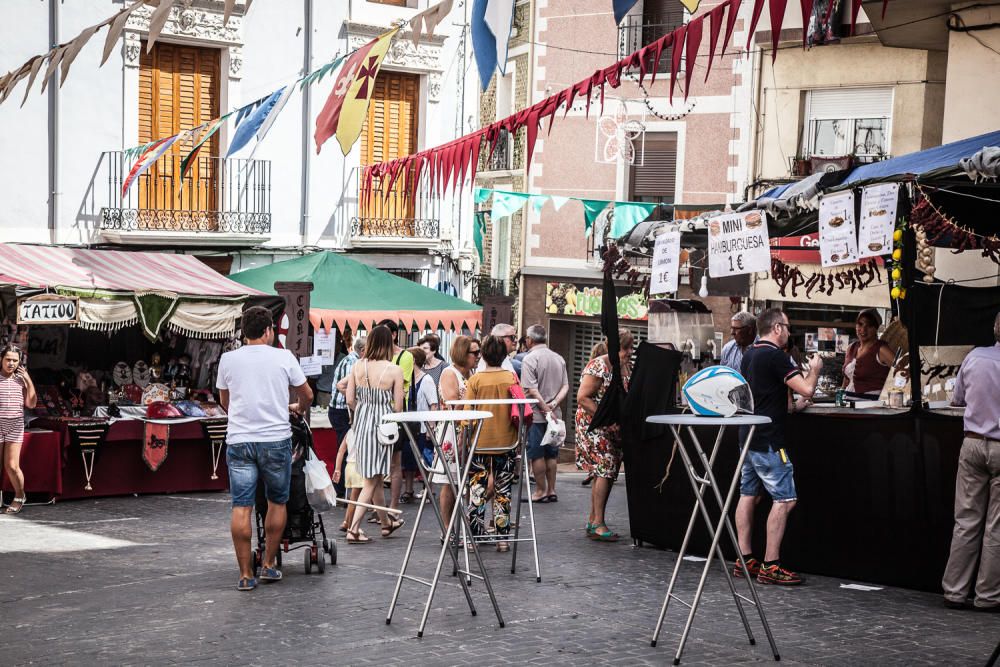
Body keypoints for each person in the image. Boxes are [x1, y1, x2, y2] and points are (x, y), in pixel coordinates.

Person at [217, 306, 313, 591]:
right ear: (269, 330)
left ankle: (246, 574)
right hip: (275, 439)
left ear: (244, 332)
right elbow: (306, 394)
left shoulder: (228, 359)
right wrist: (297, 408)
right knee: (277, 502)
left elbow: (225, 399)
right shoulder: (283, 357)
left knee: (241, 507)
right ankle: (269, 564)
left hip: (240, 440)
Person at [736, 308, 821, 586]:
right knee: (785, 499)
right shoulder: (776, 356)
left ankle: (745, 558)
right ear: (776, 328)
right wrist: (816, 370)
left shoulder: (749, 354)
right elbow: (806, 389)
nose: (788, 331)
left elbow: (779, 401)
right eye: (787, 326)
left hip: (747, 437)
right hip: (769, 440)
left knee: (748, 494)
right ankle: (771, 565)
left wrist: (796, 407)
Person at [941, 312, 1000, 612]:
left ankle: (954, 591)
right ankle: (988, 596)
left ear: (995, 329)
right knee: (996, 526)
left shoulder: (976, 356)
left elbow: (957, 399)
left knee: (966, 519)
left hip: (974, 442)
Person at [345, 326, 406, 543]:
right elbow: (399, 406)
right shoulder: (394, 370)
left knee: (376, 476)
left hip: (362, 421)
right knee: (371, 480)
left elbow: (349, 399)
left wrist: (364, 408)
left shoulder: (357, 365)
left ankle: (386, 524)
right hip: (383, 424)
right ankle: (353, 528)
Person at [576, 328, 634, 542]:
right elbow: (583, 398)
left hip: (612, 426)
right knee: (606, 468)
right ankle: (598, 522)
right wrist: (608, 421)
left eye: (631, 347)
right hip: (595, 425)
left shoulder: (624, 366)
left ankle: (594, 520)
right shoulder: (599, 365)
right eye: (626, 347)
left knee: (608, 471)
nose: (630, 351)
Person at [464, 336, 520, 551]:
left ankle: (475, 536)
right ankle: (502, 538)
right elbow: (519, 410)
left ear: (483, 356)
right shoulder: (511, 377)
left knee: (477, 491)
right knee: (503, 491)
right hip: (506, 441)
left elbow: (467, 415)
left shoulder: (475, 380)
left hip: (479, 442)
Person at [521, 324, 570, 503]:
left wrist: (544, 407)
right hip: (555, 415)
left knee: (537, 453)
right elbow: (566, 385)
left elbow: (532, 390)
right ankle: (551, 490)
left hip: (536, 414)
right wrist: (554, 404)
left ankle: (540, 491)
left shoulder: (529, 359)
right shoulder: (558, 358)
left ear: (530, 340)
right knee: (552, 453)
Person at [436, 335, 480, 530]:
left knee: (469, 481)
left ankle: (467, 525)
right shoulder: (449, 373)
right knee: (450, 482)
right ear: (463, 353)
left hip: (469, 431)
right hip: (451, 433)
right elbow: (452, 404)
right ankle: (447, 528)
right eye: (475, 352)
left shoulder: (472, 374)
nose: (478, 356)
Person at [377, 319, 414, 514]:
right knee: (375, 462)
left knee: (394, 462)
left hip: (394, 413)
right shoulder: (375, 356)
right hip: (378, 414)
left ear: (393, 335)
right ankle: (378, 507)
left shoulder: (405, 357)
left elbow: (399, 386)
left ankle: (393, 506)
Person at [1, 344, 37, 515]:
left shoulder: (21, 380)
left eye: (15, 360)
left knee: (13, 466)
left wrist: (28, 380)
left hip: (15, 425)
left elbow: (31, 403)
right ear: (1, 359)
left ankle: (20, 496)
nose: (11, 363)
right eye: (8, 359)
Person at [330, 335, 364, 498]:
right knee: (345, 449)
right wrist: (358, 408)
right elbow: (348, 390)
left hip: (342, 409)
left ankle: (344, 490)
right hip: (343, 410)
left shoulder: (354, 360)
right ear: (363, 350)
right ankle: (341, 490)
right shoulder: (354, 363)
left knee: (344, 449)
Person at [842, 308, 894, 397]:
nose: (863, 329)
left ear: (876, 328)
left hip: (872, 405)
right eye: (860, 324)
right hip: (849, 401)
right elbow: (847, 379)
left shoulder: (881, 349)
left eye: (869, 326)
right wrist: (841, 393)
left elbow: (901, 373)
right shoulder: (851, 348)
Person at [580, 340, 608, 487]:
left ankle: (593, 470)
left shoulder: (593, 367)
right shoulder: (597, 367)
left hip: (590, 416)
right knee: (602, 459)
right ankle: (595, 470)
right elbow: (583, 397)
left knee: (598, 456)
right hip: (595, 415)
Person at [332, 428, 363, 533]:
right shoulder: (364, 430)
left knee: (353, 497)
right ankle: (351, 526)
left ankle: (346, 522)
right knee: (355, 498)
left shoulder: (349, 431)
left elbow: (341, 451)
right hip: (359, 466)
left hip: (349, 466)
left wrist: (337, 469)